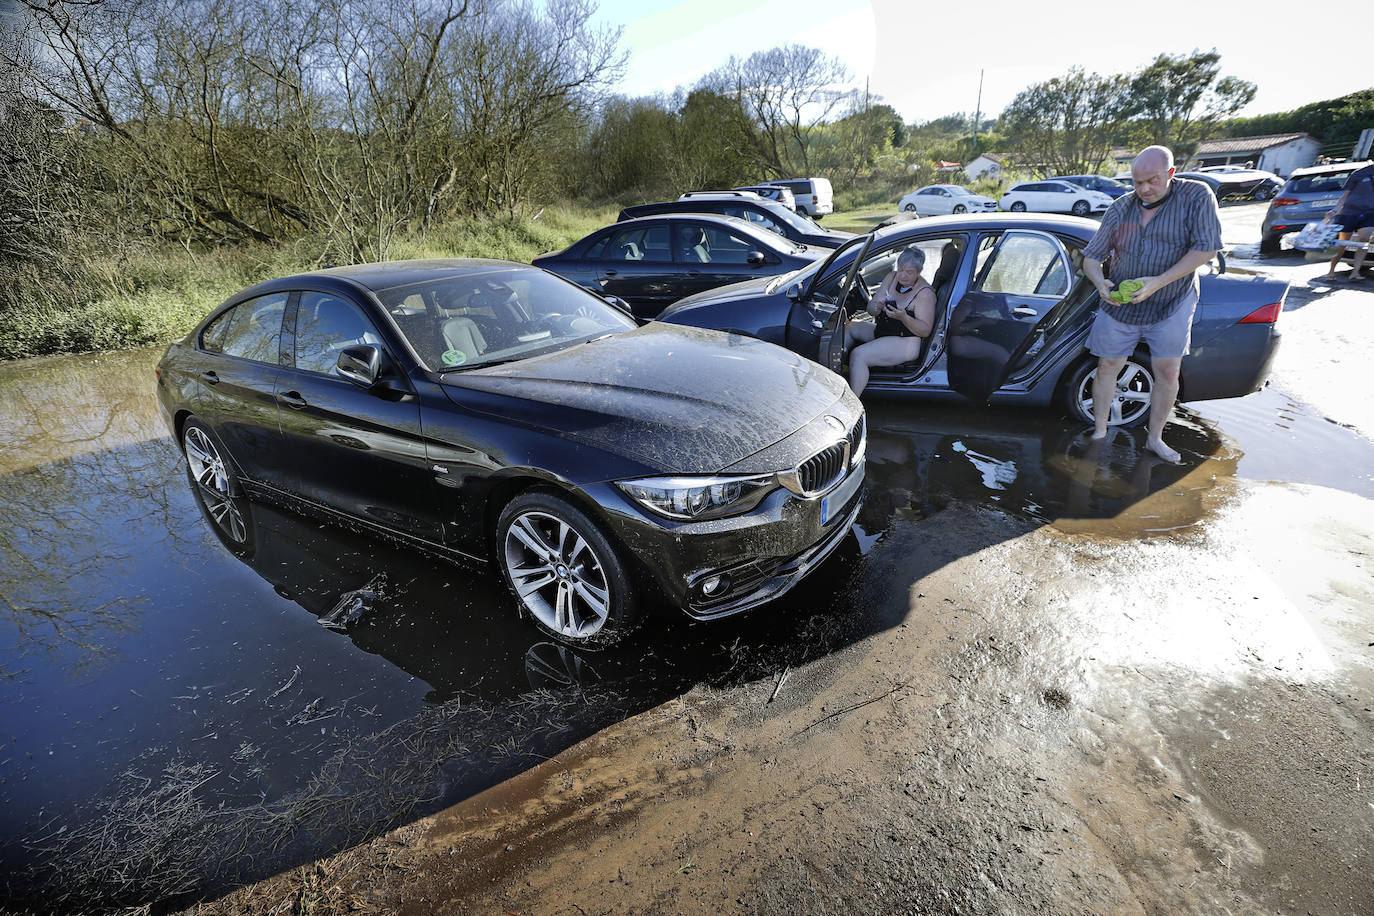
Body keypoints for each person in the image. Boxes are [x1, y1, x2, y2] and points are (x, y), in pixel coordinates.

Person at [1082, 145, 1223, 464]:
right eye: (1137, 182)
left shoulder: (1196, 197)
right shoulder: (1120, 208)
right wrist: (1099, 281)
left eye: (1153, 181)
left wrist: (1158, 282)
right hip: (1120, 305)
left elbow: (1207, 249)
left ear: (1171, 174)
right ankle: (1100, 432)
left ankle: (1155, 439)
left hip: (1172, 301)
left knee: (1168, 371)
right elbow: (1092, 256)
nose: (1144, 189)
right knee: (1107, 367)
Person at [842, 246, 935, 394]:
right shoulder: (891, 277)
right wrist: (877, 307)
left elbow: (925, 330)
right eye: (901, 270)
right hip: (885, 330)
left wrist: (904, 317)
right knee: (849, 328)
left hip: (906, 341)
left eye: (909, 272)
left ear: (919, 272)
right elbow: (870, 309)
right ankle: (839, 373)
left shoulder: (925, 293)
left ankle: (852, 402)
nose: (903, 276)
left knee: (859, 355)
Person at [1320, 162, 1374, 282]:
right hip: (1349, 212)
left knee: (1364, 241)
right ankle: (1331, 271)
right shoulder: (1359, 173)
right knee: (1343, 243)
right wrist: (1335, 209)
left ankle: (1355, 273)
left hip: (1370, 213)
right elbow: (1346, 195)